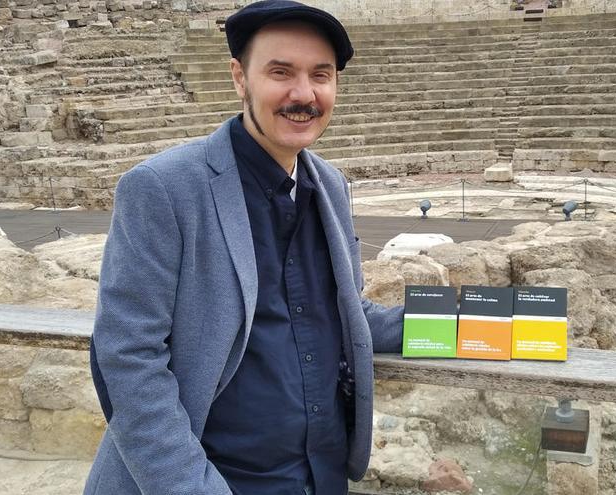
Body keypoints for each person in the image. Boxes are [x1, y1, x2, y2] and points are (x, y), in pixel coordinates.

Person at [83, 2, 404, 494]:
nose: (304, 94)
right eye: (281, 72)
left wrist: (467, 324)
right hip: (215, 479)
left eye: (321, 75)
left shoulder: (332, 186)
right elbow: (127, 355)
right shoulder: (162, 188)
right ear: (240, 78)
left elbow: (344, 312)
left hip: (321, 475)